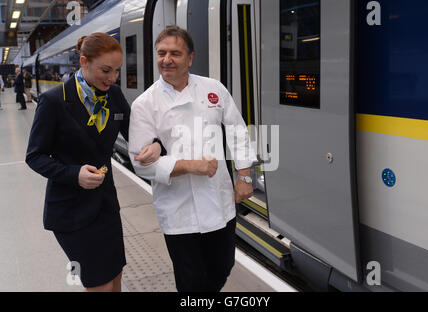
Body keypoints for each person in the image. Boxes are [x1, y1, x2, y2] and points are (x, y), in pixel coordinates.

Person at [25, 32, 162, 292]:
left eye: (117, 71)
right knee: (99, 284)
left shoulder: (114, 96)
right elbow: (35, 156)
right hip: (71, 212)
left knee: (116, 277)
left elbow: (137, 135)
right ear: (84, 62)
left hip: (106, 206)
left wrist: (155, 144)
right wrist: (74, 174)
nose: (112, 78)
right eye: (106, 70)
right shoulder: (54, 101)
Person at [128, 26, 256, 292]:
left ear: (190, 58)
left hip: (219, 200)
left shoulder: (213, 89)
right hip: (179, 209)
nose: (167, 59)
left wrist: (244, 176)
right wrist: (191, 166)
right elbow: (140, 163)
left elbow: (237, 130)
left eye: (175, 53)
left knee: (223, 266)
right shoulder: (145, 103)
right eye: (161, 53)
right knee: (191, 281)